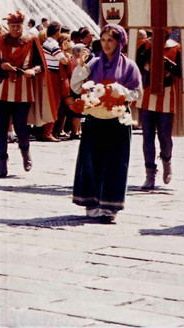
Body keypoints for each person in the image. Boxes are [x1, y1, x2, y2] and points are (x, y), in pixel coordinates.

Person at [71, 24, 142, 223]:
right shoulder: (93, 64)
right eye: (103, 40)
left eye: (110, 40)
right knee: (92, 162)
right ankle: (92, 203)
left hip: (118, 121)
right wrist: (81, 66)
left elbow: (138, 93)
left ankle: (110, 207)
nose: (106, 44)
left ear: (119, 42)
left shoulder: (129, 66)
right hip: (95, 118)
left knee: (115, 163)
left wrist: (120, 91)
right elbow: (76, 87)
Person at [0, 11, 55, 178]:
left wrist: (33, 70)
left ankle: (25, 151)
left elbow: (41, 65)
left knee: (21, 127)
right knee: (0, 129)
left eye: (18, 26)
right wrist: (1, 66)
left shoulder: (32, 41)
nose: (15, 29)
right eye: (12, 26)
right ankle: (2, 164)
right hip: (1, 90)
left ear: (22, 26)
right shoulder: (0, 41)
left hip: (23, 91)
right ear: (8, 26)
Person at [136, 30, 183, 189]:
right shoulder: (144, 45)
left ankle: (166, 160)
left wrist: (167, 63)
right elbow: (136, 63)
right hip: (147, 94)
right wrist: (152, 50)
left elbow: (181, 71)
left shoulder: (176, 48)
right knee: (147, 136)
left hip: (166, 94)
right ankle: (149, 173)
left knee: (165, 135)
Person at [40, 21, 65, 141]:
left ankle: (47, 130)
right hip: (53, 75)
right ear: (57, 32)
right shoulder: (53, 44)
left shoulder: (47, 42)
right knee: (54, 103)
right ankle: (48, 132)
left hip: (49, 74)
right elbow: (63, 60)